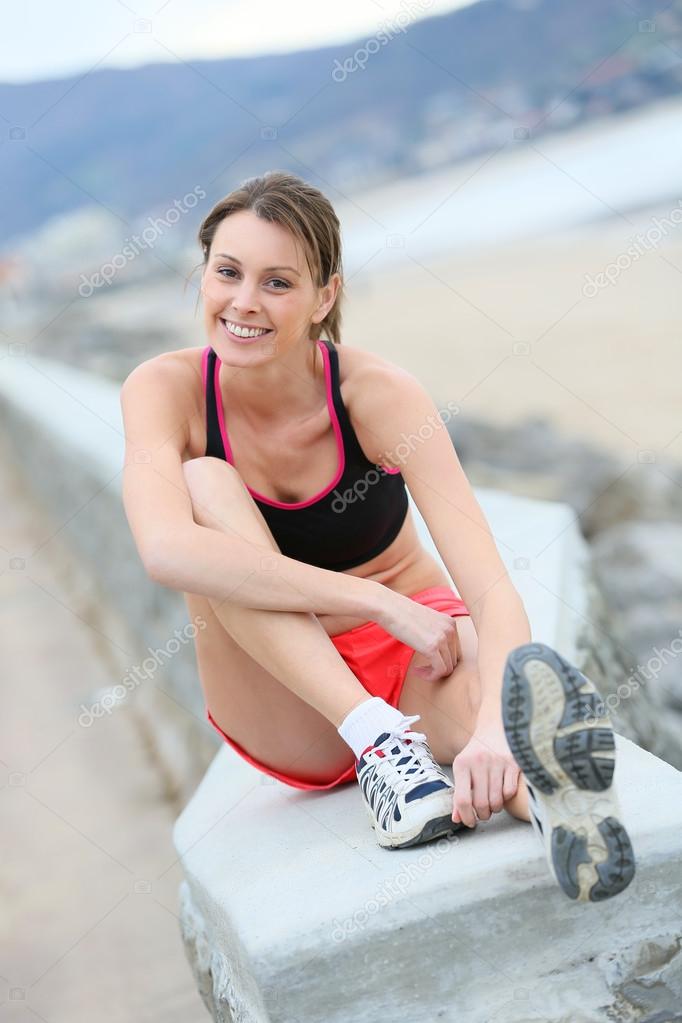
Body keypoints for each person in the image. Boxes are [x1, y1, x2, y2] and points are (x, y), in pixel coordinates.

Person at [120, 170, 634, 902]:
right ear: (203, 274)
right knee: (204, 484)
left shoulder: (377, 394)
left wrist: (490, 727)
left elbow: (489, 586)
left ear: (324, 296)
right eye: (228, 272)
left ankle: (562, 818)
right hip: (290, 695)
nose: (243, 302)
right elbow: (165, 548)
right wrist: (375, 599)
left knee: (503, 721)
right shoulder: (163, 390)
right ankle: (379, 743)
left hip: (417, 654)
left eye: (277, 283)